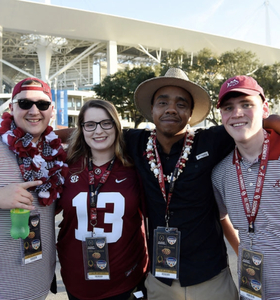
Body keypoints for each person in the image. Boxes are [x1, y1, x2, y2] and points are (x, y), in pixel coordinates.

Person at [123, 68, 239, 300]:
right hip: (161, 282)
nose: (171, 109)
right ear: (152, 109)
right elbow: (88, 132)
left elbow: (259, 124)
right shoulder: (135, 142)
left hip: (211, 278)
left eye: (181, 104)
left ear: (191, 112)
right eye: (163, 102)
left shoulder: (212, 140)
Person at [56, 99, 148, 300]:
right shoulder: (66, 165)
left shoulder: (136, 166)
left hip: (125, 281)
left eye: (106, 123)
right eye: (90, 125)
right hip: (76, 279)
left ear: (117, 126)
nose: (98, 131)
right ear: (81, 128)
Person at [212, 75, 280, 299]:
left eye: (247, 104)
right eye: (228, 107)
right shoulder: (220, 172)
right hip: (252, 289)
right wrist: (242, 249)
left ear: (265, 108)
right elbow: (222, 217)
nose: (237, 113)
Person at [0, 77, 68, 300]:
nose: (34, 111)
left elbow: (97, 130)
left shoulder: (56, 154)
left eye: (42, 104)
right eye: (25, 104)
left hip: (38, 280)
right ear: (11, 107)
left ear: (52, 110)